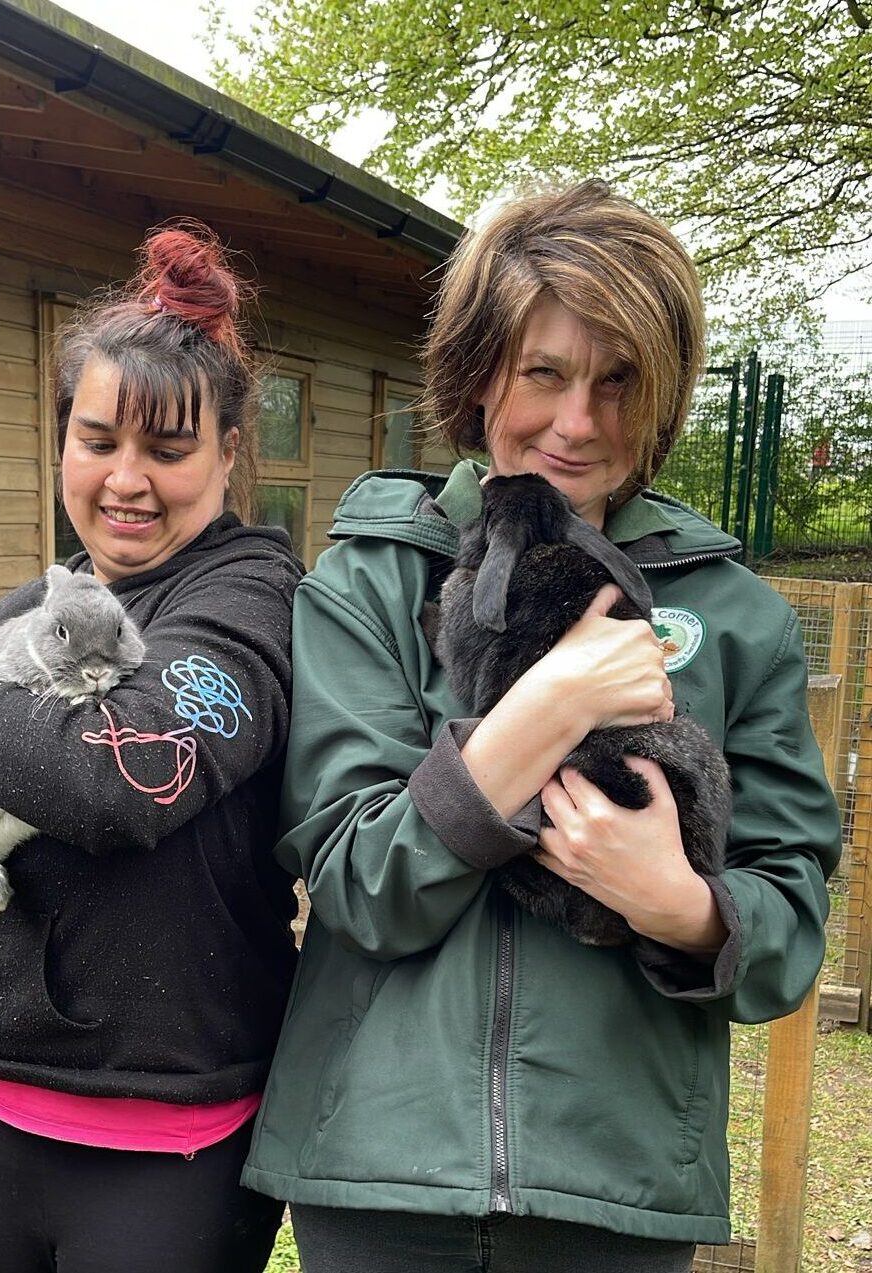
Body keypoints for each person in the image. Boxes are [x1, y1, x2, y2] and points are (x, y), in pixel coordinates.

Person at [241, 181, 841, 1272]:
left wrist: (684, 906)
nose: (578, 423)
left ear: (660, 395)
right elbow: (359, 877)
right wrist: (551, 706)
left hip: (617, 1194)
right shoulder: (369, 582)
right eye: (545, 373)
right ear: (477, 375)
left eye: (618, 382)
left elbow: (789, 922)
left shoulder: (737, 618)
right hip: (376, 1175)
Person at [0, 226, 302, 1273]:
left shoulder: (249, 600)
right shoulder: (42, 600)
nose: (126, 479)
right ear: (63, 434)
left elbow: (123, 778)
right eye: (98, 437)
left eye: (166, 450)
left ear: (226, 452)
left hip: (169, 1131)